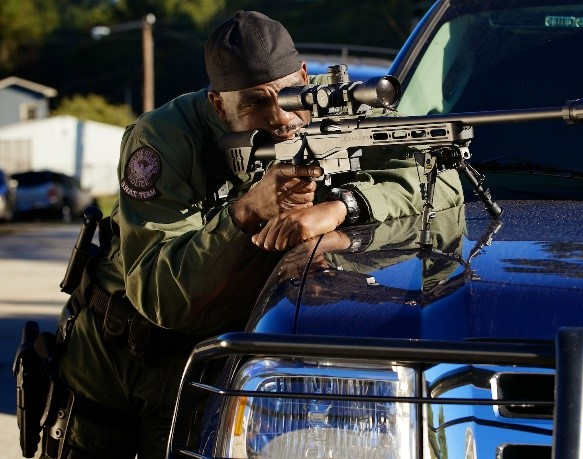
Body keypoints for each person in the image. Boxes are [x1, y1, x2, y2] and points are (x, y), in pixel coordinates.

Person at [48, 10, 463, 459]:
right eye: (253, 105)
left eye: (289, 95)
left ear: (303, 75)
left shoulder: (337, 104)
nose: (280, 118)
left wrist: (342, 207)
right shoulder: (164, 139)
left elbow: (442, 182)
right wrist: (246, 212)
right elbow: (160, 298)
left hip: (220, 361)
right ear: (217, 104)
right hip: (122, 365)